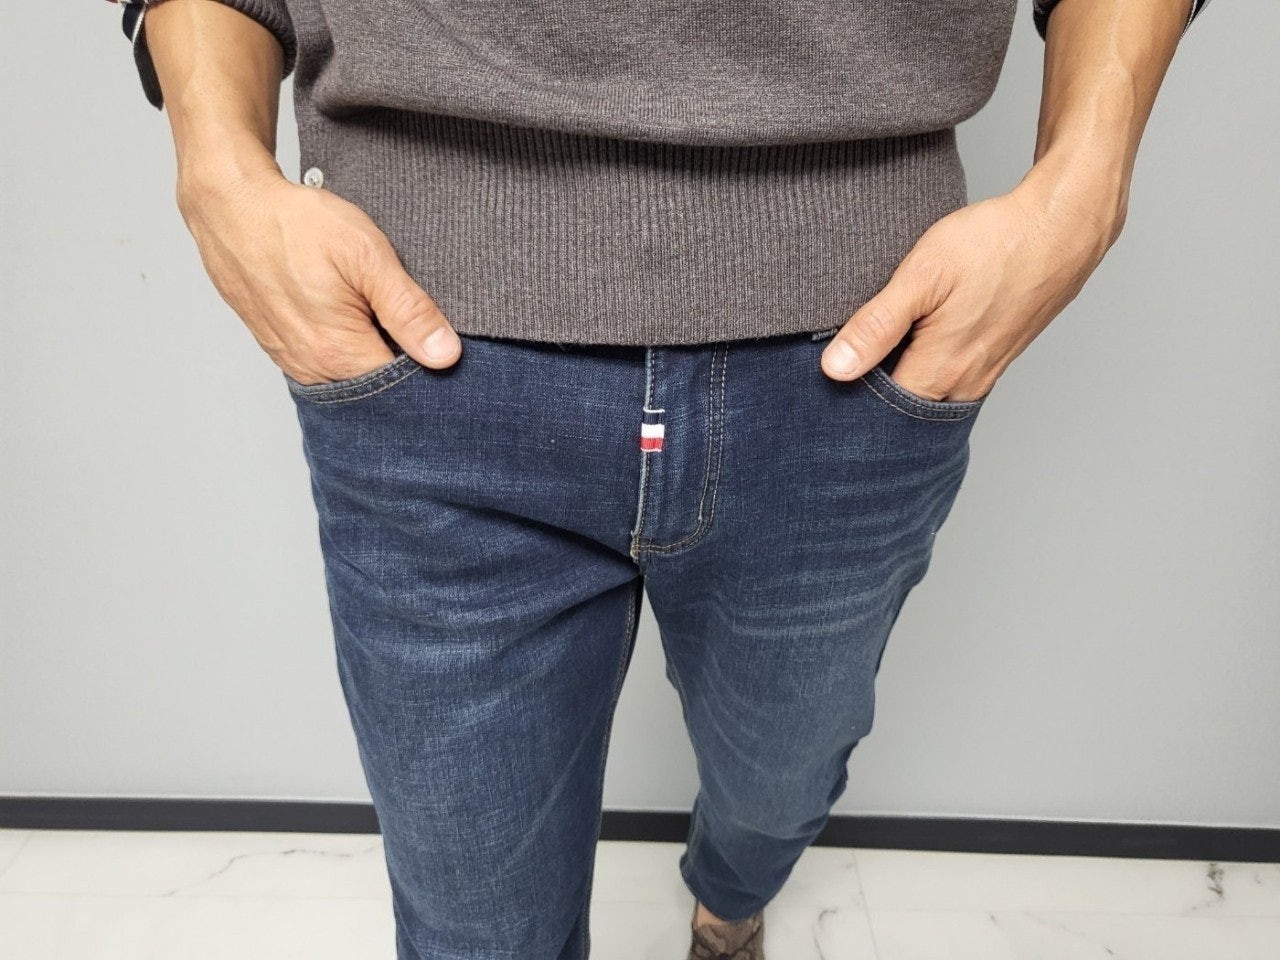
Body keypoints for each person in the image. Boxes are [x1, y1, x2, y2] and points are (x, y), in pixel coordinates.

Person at [111, 0, 1214, 957]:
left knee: (779, 785)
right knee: (470, 928)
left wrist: (1085, 180)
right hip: (427, 354)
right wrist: (220, 170)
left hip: (854, 362)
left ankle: (728, 903)